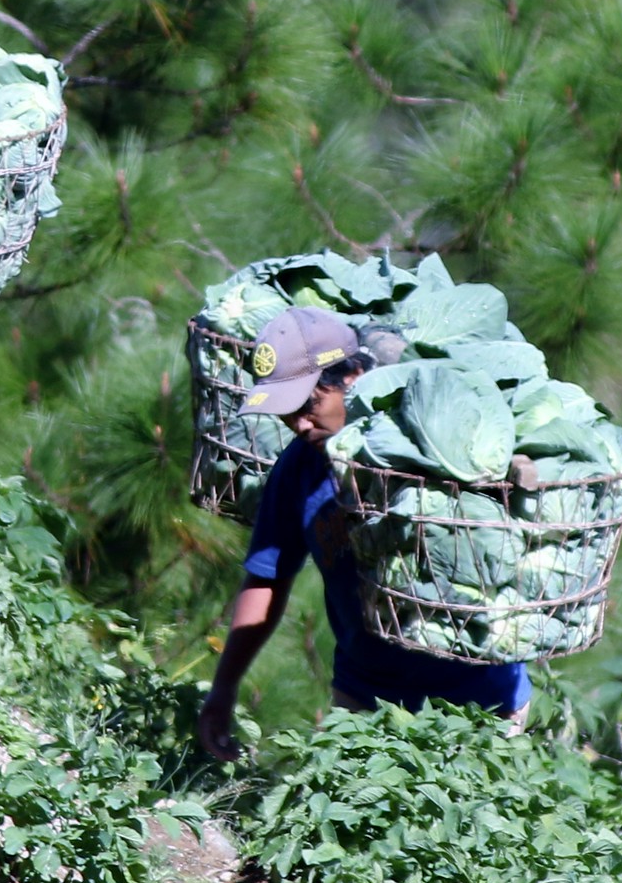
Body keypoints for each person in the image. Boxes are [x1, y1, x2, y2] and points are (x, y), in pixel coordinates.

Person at [196, 306, 529, 760]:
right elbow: (267, 578)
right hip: (365, 696)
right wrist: (223, 688)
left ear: (352, 377)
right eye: (286, 413)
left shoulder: (434, 452)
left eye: (309, 405)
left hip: (481, 699)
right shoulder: (300, 467)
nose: (300, 424)